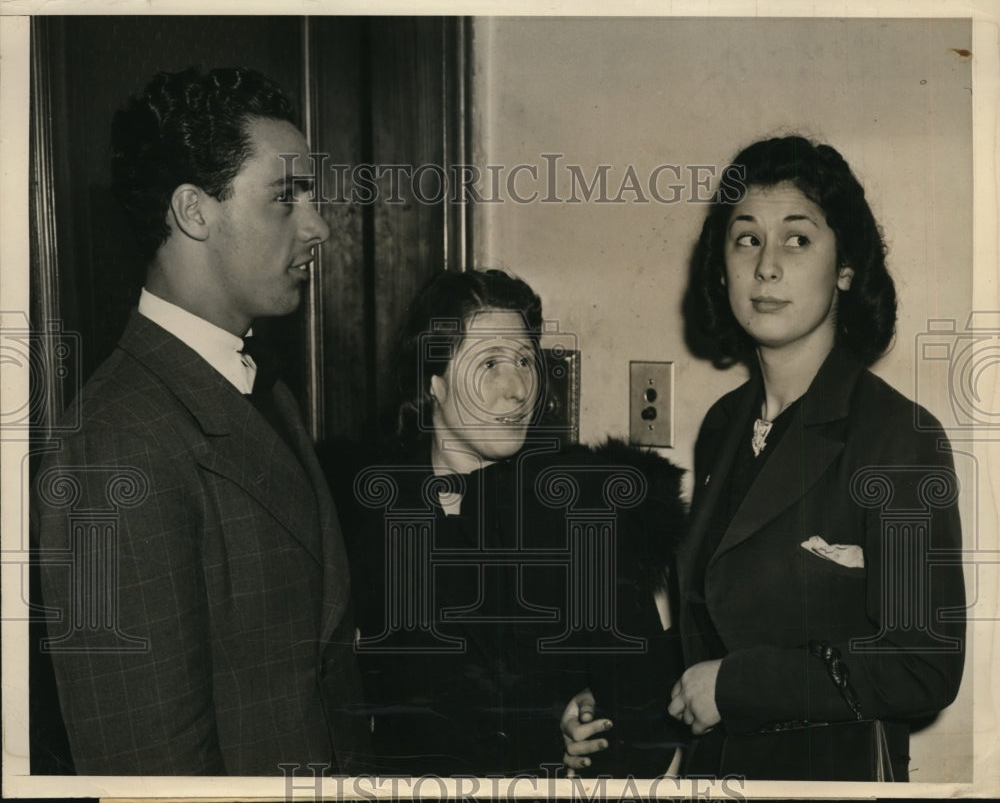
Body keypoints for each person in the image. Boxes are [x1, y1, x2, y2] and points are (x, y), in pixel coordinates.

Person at [32, 67, 370, 775]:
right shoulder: (113, 445)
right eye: (286, 197)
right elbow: (146, 767)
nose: (319, 225)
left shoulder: (258, 387)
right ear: (193, 211)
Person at [664, 135, 966, 780]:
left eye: (797, 239)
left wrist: (738, 686)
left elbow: (923, 665)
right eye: (747, 238)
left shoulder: (899, 437)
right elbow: (708, 629)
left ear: (846, 269)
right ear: (721, 265)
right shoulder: (723, 425)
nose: (766, 266)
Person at [348, 269, 688, 777]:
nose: (516, 390)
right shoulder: (366, 519)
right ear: (434, 381)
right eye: (488, 363)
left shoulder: (585, 512)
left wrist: (587, 728)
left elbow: (649, 718)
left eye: (526, 360)